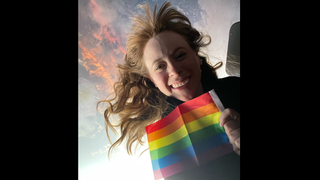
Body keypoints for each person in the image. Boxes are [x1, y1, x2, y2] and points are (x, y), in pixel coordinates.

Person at [97, 1, 240, 179]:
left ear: (197, 56)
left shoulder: (237, 87)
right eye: (160, 66)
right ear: (152, 80)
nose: (173, 70)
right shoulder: (166, 141)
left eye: (180, 55)